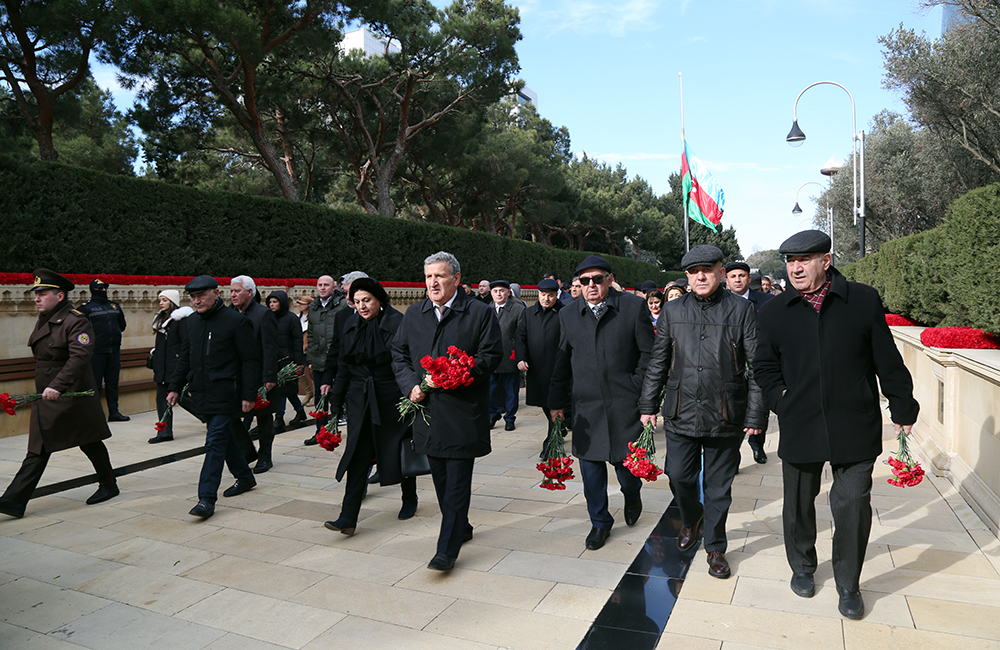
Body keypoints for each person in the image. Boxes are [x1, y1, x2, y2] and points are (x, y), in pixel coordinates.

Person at [753, 230, 919, 620]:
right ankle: (803, 567)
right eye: (790, 261)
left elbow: (886, 357)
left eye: (804, 260)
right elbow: (763, 366)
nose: (795, 268)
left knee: (852, 506)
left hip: (855, 423)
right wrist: (782, 401)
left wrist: (903, 406)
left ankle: (849, 583)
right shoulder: (775, 312)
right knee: (797, 506)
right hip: (800, 423)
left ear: (825, 261)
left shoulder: (862, 300)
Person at [639, 245, 767, 580]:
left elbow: (758, 367)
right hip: (681, 410)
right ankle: (692, 517)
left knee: (718, 487)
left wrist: (755, 416)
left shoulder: (742, 310)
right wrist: (648, 405)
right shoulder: (673, 310)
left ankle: (715, 547)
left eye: (706, 270)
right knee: (679, 475)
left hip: (725, 413)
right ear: (686, 275)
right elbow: (658, 361)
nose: (699, 276)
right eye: (693, 272)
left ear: (721, 272)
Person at [391, 251, 503, 571]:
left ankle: (447, 550)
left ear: (456, 278)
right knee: (440, 479)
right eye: (428, 277)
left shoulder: (479, 313)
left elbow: (491, 354)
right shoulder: (414, 314)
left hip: (463, 413)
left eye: (439, 276)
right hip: (427, 413)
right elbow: (398, 354)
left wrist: (461, 374)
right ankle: (462, 527)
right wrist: (410, 384)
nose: (433, 282)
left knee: (456, 482)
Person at [549, 255, 654, 551]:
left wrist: (639, 392)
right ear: (578, 284)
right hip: (586, 408)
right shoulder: (568, 315)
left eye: (597, 279)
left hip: (625, 405)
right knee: (591, 473)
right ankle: (599, 523)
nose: (591, 285)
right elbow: (561, 362)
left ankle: (632, 495)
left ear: (610, 279)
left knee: (628, 470)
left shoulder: (632, 307)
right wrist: (556, 403)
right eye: (585, 281)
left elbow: (649, 355)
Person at [0, 270, 120, 519]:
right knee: (58, 443)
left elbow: (80, 356)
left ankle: (13, 499)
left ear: (60, 295)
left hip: (70, 393)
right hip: (50, 393)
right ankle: (14, 500)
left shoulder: (75, 320)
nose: (37, 298)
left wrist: (58, 385)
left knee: (77, 441)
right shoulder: (47, 317)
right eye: (37, 294)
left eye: (43, 294)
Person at [323, 278, 418, 535]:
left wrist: (412, 395)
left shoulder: (397, 322)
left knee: (398, 448)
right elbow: (343, 364)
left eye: (367, 300)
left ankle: (409, 497)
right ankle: (348, 516)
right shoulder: (348, 324)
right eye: (357, 301)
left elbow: (407, 361)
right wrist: (336, 398)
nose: (362, 306)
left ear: (379, 300)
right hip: (359, 399)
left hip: (391, 397)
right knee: (358, 455)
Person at [167, 275, 260, 519]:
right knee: (225, 438)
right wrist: (175, 387)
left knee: (214, 442)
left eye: (201, 296)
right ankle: (245, 476)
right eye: (193, 297)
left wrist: (249, 394)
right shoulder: (192, 323)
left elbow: (251, 360)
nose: (197, 301)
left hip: (226, 394)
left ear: (216, 293)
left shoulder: (235, 322)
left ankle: (206, 498)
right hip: (203, 393)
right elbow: (185, 357)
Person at [725, 261, 773, 464]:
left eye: (741, 276)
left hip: (759, 362)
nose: (737, 279)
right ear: (726, 280)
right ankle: (732, 456)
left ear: (749, 279)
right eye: (733, 276)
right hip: (730, 365)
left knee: (759, 405)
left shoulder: (766, 301)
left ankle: (757, 446)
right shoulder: (720, 301)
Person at [231, 276, 279, 473]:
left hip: (259, 374)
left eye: (238, 291)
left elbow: (270, 347)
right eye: (232, 291)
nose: (233, 295)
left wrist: (269, 376)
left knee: (264, 417)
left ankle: (265, 457)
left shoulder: (263, 314)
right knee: (234, 416)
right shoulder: (230, 314)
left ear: (250, 292)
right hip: (236, 375)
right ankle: (247, 452)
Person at [514, 278, 564, 456]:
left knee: (553, 403)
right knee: (544, 404)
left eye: (551, 296)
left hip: (558, 368)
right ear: (538, 294)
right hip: (536, 368)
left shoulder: (564, 313)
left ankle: (551, 443)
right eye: (543, 295)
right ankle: (558, 428)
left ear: (556, 296)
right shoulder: (528, 314)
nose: (547, 299)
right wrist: (521, 358)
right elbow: (520, 337)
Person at [78, 278, 130, 421]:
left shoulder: (114, 306)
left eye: (105, 288)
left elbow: (122, 325)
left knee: (112, 384)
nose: (103, 291)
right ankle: (95, 415)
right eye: (100, 288)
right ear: (93, 290)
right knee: (95, 385)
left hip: (113, 351)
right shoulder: (86, 308)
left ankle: (114, 412)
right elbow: (77, 330)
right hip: (96, 353)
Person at [304, 275, 347, 445]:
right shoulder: (313, 306)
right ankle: (320, 432)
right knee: (319, 397)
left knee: (338, 397)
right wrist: (310, 359)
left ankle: (334, 428)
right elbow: (312, 334)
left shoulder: (342, 304)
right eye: (319, 285)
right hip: (319, 360)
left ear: (334, 287)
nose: (322, 288)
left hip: (337, 359)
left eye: (326, 285)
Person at [149, 290, 193, 443]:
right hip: (162, 366)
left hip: (174, 366)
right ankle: (164, 432)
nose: (161, 303)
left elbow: (184, 344)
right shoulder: (160, 319)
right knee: (161, 399)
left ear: (172, 302)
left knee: (181, 397)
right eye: (160, 300)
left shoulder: (180, 320)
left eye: (165, 300)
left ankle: (207, 416)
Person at [267, 291, 307, 433]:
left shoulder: (291, 318)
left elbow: (297, 341)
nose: (272, 305)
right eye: (270, 302)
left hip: (288, 360)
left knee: (282, 390)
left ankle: (279, 417)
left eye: (275, 302)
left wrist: (298, 362)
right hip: (273, 359)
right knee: (288, 391)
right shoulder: (269, 317)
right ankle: (300, 411)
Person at [489, 280, 524, 431]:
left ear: (508, 292)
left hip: (510, 355)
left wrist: (520, 356)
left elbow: (522, 334)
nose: (499, 294)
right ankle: (493, 414)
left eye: (502, 291)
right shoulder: (487, 309)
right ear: (491, 293)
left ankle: (510, 418)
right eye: (495, 291)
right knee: (490, 390)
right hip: (490, 356)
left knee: (511, 390)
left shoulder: (517, 309)